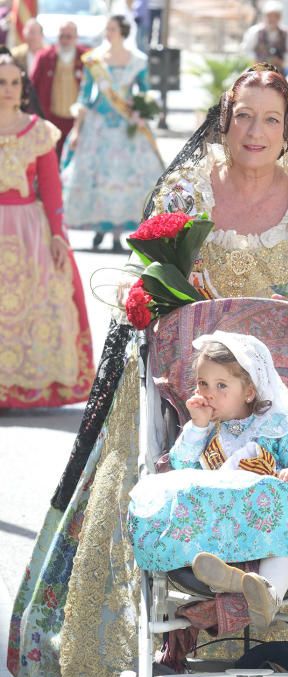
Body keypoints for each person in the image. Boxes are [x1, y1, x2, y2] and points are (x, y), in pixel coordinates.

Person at [7, 64, 288, 677]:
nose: (255, 131)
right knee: (139, 463)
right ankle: (170, 624)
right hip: (193, 387)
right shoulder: (190, 186)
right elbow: (143, 272)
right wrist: (152, 296)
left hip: (285, 393)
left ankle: (275, 617)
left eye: (270, 118)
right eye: (244, 116)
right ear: (226, 119)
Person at [129, 330, 288, 628]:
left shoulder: (273, 423)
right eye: (202, 383)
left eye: (221, 386)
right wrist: (197, 426)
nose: (209, 393)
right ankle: (238, 582)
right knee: (191, 506)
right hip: (222, 527)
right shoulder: (208, 431)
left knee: (280, 546)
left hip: (267, 525)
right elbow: (181, 467)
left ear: (248, 392)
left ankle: (266, 594)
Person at [0, 51, 94, 408]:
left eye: (14, 82)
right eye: (1, 83)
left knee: (26, 307)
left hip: (28, 230)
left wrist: (58, 235)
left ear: (23, 87)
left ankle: (21, 388)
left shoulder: (37, 131)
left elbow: (52, 188)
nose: (8, 90)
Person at [61, 15, 164, 252]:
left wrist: (143, 109)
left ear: (123, 32)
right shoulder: (94, 60)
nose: (108, 33)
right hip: (98, 125)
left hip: (127, 126)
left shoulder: (138, 61)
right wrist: (77, 130)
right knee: (98, 177)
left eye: (113, 29)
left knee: (124, 178)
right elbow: (85, 97)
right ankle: (100, 228)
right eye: (107, 28)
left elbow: (146, 92)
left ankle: (118, 232)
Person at [30, 21, 86, 157]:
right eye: (62, 36)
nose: (65, 40)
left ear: (76, 38)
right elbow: (31, 88)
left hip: (78, 124)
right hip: (51, 121)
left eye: (69, 36)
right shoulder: (44, 57)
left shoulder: (86, 58)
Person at [241, 0, 288, 74]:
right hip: (256, 75)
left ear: (280, 17)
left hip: (278, 76)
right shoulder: (255, 32)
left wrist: (281, 61)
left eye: (275, 16)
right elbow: (245, 51)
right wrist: (257, 60)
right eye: (269, 15)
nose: (271, 19)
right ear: (264, 16)